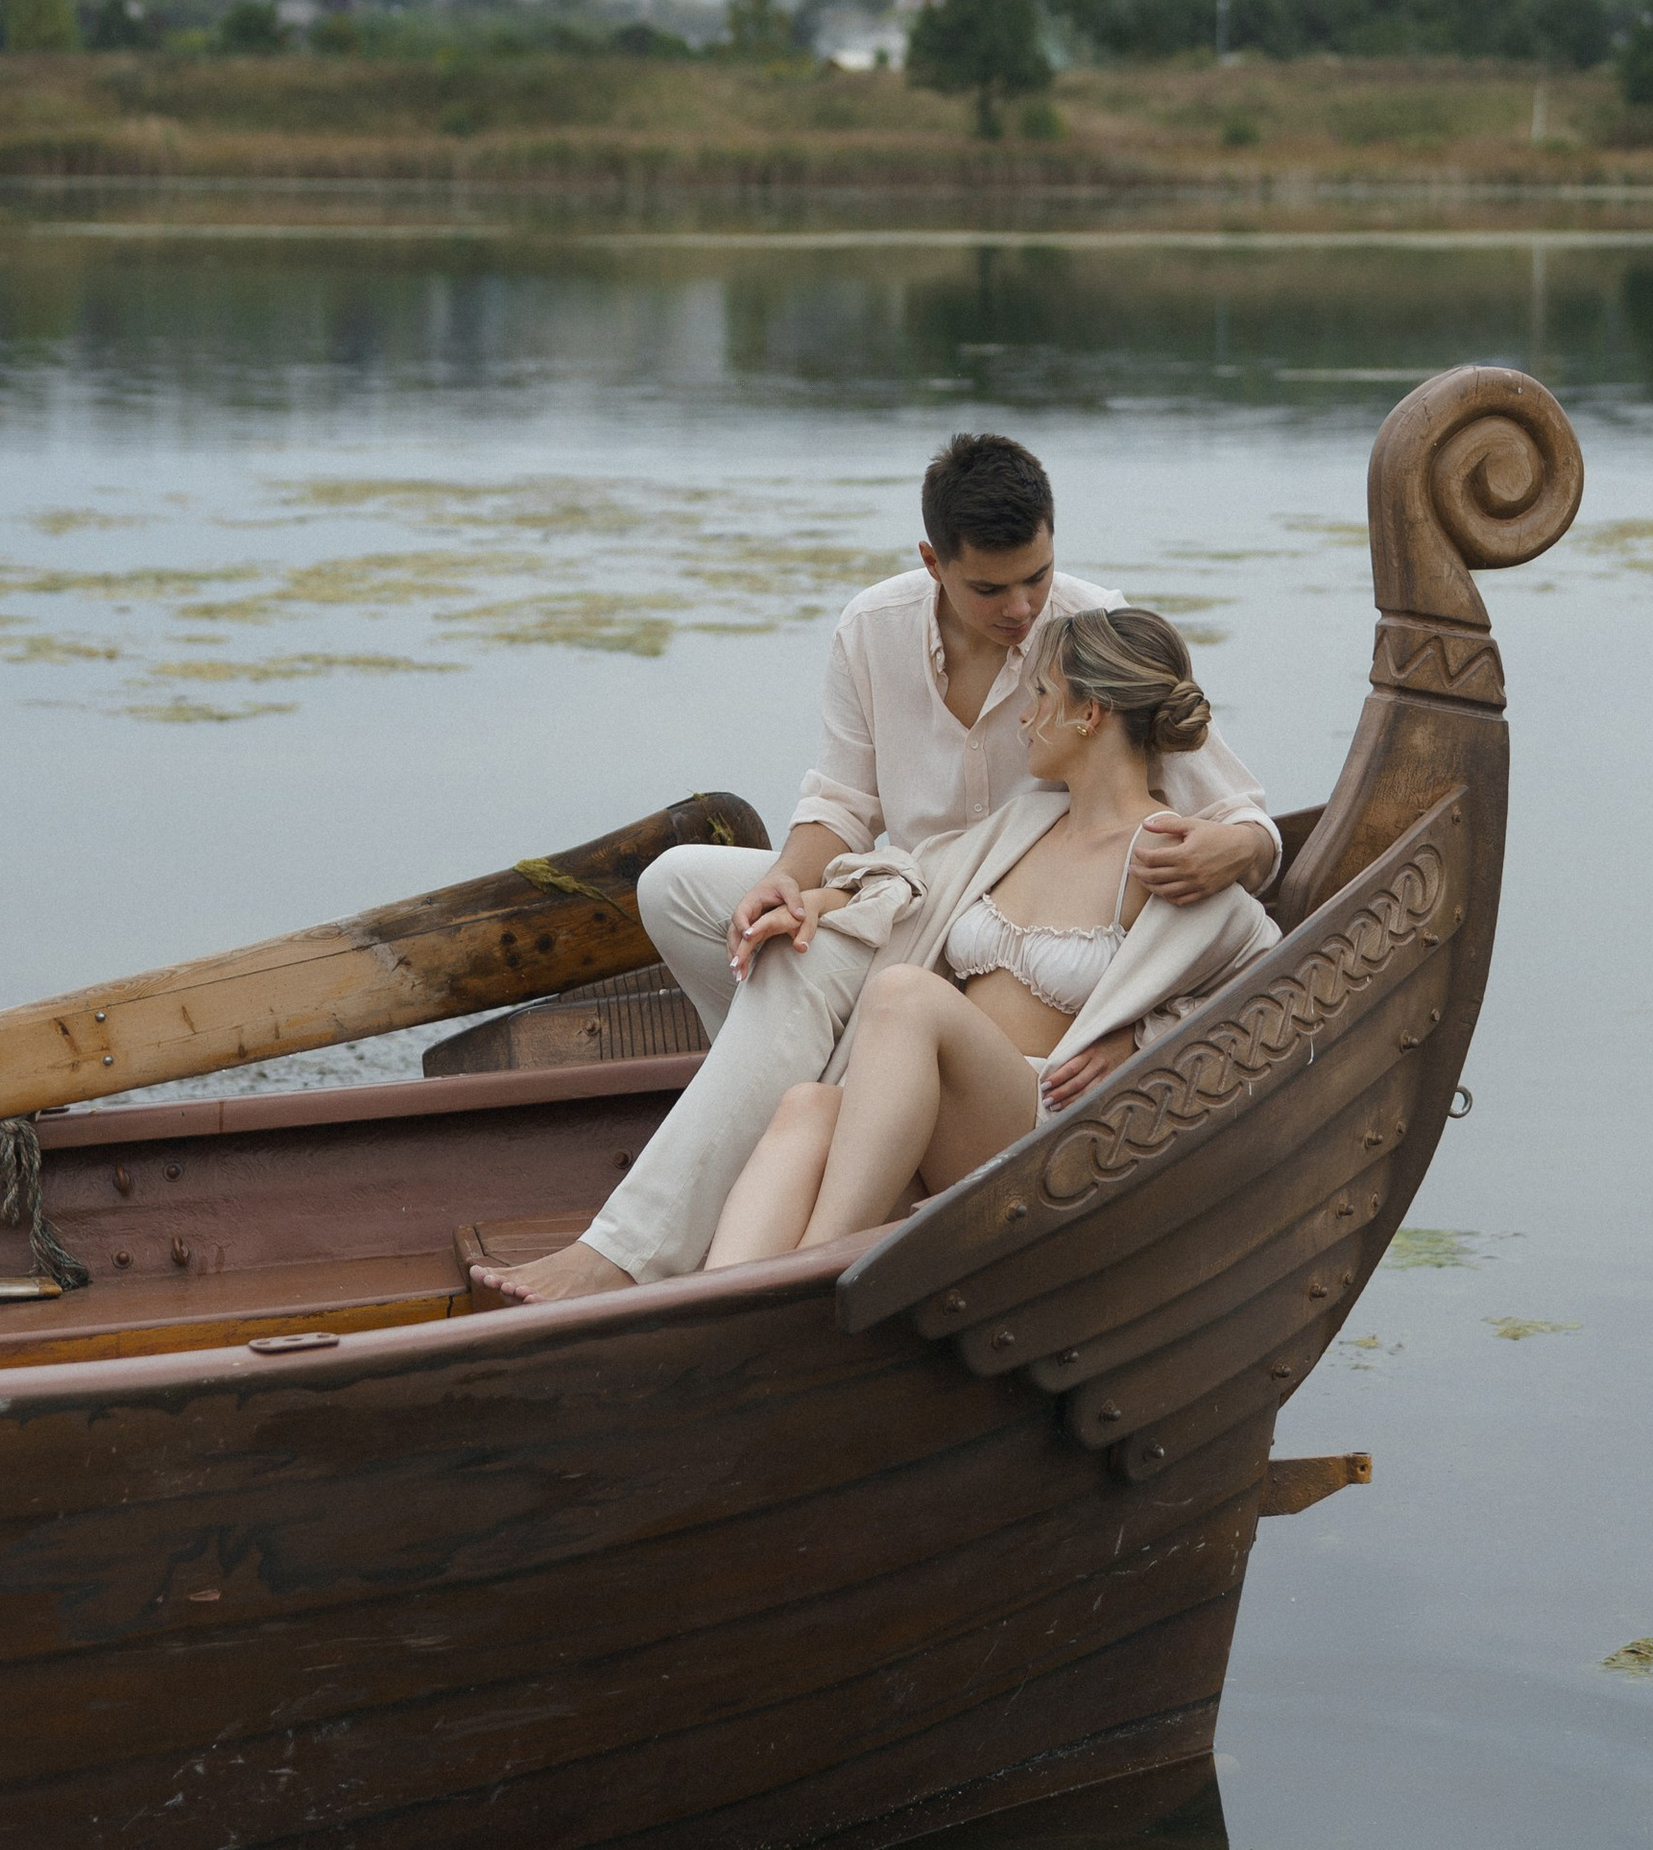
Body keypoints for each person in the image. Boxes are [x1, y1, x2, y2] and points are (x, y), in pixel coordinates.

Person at [478, 430, 1281, 1302]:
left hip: (979, 1023)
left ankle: (648, 1254)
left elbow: (1237, 830)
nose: (1021, 607)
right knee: (681, 890)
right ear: (933, 561)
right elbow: (842, 801)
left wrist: (1240, 849)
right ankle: (714, 1280)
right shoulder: (875, 629)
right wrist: (797, 882)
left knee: (805, 970)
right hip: (921, 906)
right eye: (991, 587)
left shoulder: (1091, 645)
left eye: (1037, 577)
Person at [706, 605, 1276, 1265]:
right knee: (808, 1106)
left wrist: (1140, 1039)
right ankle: (712, 1312)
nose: (1026, 716)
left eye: (1040, 695)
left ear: (1088, 714)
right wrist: (816, 901)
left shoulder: (1165, 855)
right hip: (949, 1115)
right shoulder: (1025, 825)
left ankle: (812, 1271)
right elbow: (918, 883)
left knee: (906, 995)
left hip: (1051, 1137)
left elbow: (1260, 978)